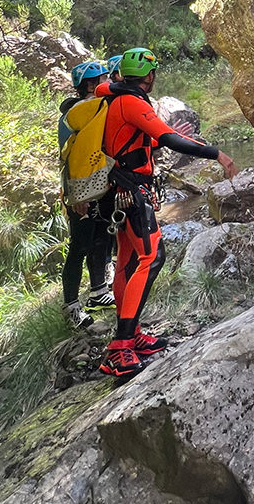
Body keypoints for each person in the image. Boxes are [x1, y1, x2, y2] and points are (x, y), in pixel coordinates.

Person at [98, 47, 237, 380]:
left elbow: (138, 138)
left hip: (120, 188)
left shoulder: (114, 97)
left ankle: (129, 335)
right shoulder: (131, 101)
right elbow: (169, 140)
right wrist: (218, 155)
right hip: (131, 190)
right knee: (151, 257)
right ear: (149, 75)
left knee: (130, 261)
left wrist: (164, 139)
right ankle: (120, 348)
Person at [58, 60, 117, 328]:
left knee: (100, 239)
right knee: (79, 247)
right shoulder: (79, 112)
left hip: (96, 186)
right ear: (92, 85)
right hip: (80, 191)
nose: (109, 83)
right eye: (104, 79)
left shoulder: (93, 109)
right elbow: (71, 159)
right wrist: (77, 197)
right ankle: (71, 307)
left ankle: (98, 292)